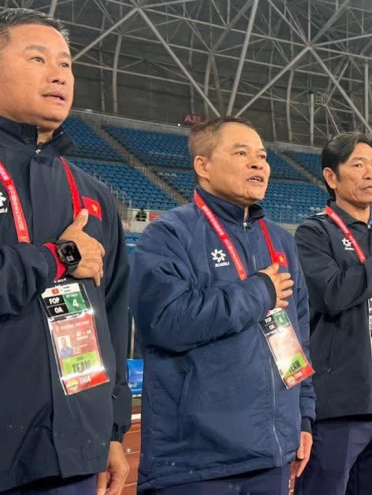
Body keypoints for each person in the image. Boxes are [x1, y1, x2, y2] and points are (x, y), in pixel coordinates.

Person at [130, 117, 315, 493]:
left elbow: (299, 334)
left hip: (272, 453)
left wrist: (304, 415)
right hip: (197, 462)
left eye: (262, 156)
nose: (258, 163)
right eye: (241, 153)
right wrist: (258, 292)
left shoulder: (279, 240)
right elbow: (165, 321)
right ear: (203, 165)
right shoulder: (170, 234)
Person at [0, 9, 132, 495]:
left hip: (73, 451)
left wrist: (113, 429)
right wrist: (57, 258)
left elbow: (113, 317)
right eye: (37, 59)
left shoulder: (93, 194)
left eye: (66, 63)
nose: (58, 74)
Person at [294, 132, 372, 495]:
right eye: (359, 165)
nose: (370, 174)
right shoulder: (314, 234)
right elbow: (331, 294)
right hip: (338, 410)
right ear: (331, 177)